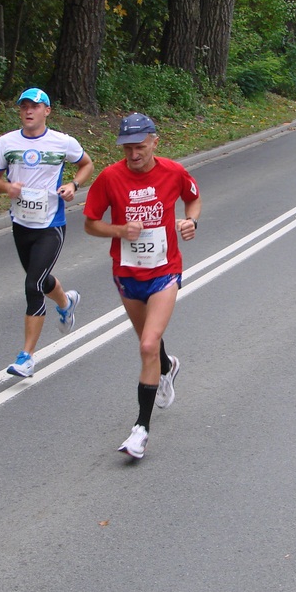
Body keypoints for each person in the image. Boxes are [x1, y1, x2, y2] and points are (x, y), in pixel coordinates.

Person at [84, 113, 201, 460]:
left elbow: (193, 198)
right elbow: (90, 224)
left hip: (165, 271)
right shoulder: (109, 177)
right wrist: (119, 231)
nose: (133, 154)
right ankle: (168, 367)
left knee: (148, 344)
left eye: (139, 147)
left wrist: (190, 221)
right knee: (148, 345)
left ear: (154, 141)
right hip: (127, 275)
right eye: (127, 148)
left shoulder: (173, 172)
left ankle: (141, 431)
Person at [0, 88, 95, 378]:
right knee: (40, 278)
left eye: (35, 106)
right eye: (24, 106)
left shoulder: (62, 142)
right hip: (21, 224)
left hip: (50, 225)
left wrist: (73, 185)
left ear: (47, 111)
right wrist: (6, 188)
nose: (28, 111)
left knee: (32, 285)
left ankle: (26, 357)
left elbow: (86, 164)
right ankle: (66, 302)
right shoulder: (7, 142)